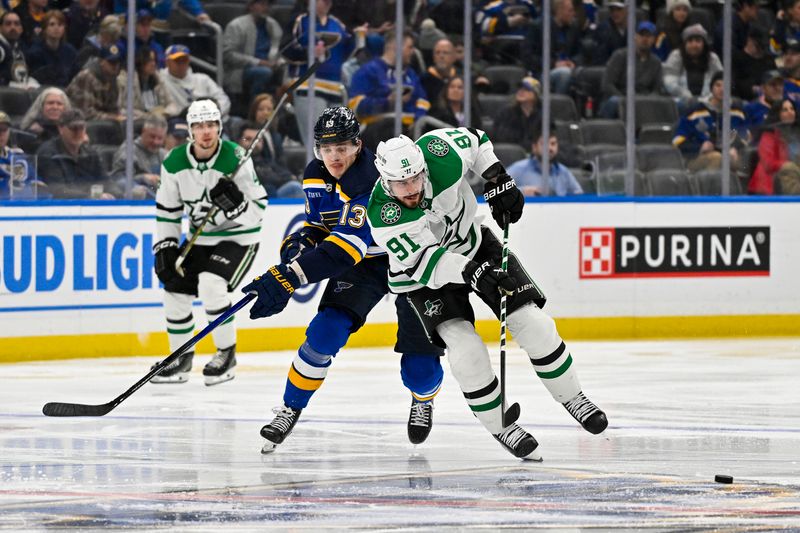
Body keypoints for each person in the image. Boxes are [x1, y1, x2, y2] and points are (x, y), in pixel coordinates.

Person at [361, 128, 608, 459]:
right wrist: (473, 273)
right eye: (401, 184)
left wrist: (497, 178)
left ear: (423, 168)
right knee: (466, 351)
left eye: (416, 178)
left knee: (535, 325)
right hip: (424, 277)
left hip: (474, 244)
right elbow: (427, 262)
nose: (412, 189)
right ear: (385, 180)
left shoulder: (439, 153)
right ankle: (502, 426)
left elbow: (477, 141)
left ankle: (573, 397)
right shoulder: (382, 214)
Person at [240, 106, 446, 453]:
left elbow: (344, 249)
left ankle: (422, 399)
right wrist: (300, 243)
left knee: (421, 369)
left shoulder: (371, 179)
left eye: (342, 148)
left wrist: (289, 276)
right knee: (324, 332)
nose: (334, 157)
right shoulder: (314, 174)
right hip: (363, 263)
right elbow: (321, 227)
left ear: (358, 146)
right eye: (326, 149)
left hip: (410, 260)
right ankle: (291, 406)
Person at [151, 99, 267, 385]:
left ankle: (226, 354)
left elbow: (259, 211)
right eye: (199, 126)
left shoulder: (236, 158)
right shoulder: (174, 162)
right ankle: (179, 358)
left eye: (212, 125)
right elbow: (168, 212)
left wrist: (236, 205)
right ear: (190, 130)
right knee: (174, 289)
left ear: (220, 127)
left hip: (239, 238)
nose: (206, 131)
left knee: (212, 284)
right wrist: (164, 248)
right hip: (199, 239)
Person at [348, 29, 430, 128]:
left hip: (410, 130)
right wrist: (388, 102)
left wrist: (418, 119)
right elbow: (355, 106)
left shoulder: (410, 74)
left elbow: (423, 101)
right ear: (396, 47)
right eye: (410, 47)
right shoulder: (368, 71)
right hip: (377, 129)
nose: (413, 52)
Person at [672, 71, 749, 172]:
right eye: (718, 85)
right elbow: (677, 140)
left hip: (729, 156)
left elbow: (745, 136)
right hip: (695, 158)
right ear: (711, 87)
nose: (722, 89)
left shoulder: (737, 112)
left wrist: (734, 147)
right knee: (717, 157)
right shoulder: (695, 111)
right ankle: (712, 188)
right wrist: (699, 147)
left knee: (746, 162)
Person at [36, 108, 116, 199]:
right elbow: (58, 190)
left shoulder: (91, 153)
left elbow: (107, 182)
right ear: (60, 128)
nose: (78, 132)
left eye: (81, 128)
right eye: (73, 128)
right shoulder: (48, 153)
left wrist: (115, 194)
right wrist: (93, 196)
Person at [599, 21, 664, 119]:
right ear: (635, 37)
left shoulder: (656, 62)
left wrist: (649, 100)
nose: (645, 39)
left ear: (653, 40)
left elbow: (657, 88)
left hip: (644, 101)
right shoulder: (620, 56)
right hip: (620, 97)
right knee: (614, 101)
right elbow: (607, 84)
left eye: (649, 36)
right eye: (642, 35)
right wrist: (625, 100)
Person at [222, 0, 283, 104]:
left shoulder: (273, 25)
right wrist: (258, 62)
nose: (266, 8)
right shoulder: (236, 25)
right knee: (264, 72)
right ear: (251, 6)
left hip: (270, 65)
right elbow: (228, 55)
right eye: (262, 4)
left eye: (267, 4)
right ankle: (254, 106)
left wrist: (278, 61)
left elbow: (278, 49)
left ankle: (280, 109)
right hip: (240, 69)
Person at [507, 124, 584, 196]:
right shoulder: (519, 169)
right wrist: (521, 192)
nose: (550, 148)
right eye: (544, 144)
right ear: (534, 147)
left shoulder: (563, 172)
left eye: (553, 144)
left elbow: (580, 197)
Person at [159, 44, 231, 120]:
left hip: (213, 120)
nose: (181, 64)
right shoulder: (160, 80)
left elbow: (223, 99)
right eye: (177, 61)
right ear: (167, 62)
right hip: (182, 121)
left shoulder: (203, 79)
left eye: (184, 60)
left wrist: (213, 114)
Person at [663, 24, 723, 108]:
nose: (694, 45)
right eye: (690, 41)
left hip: (708, 101)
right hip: (681, 101)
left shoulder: (713, 58)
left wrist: (706, 98)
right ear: (685, 44)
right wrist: (686, 95)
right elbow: (668, 82)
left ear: (704, 44)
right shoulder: (676, 55)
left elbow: (720, 81)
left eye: (698, 41)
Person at [748, 99, 800, 195]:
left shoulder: (797, 133)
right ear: (777, 114)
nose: (790, 112)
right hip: (770, 184)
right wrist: (789, 165)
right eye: (785, 110)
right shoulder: (769, 134)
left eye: (792, 109)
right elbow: (768, 163)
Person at [110, 113, 167, 198]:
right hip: (138, 202)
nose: (156, 142)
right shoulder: (128, 151)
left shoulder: (165, 155)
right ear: (143, 132)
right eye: (152, 136)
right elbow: (118, 180)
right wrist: (142, 178)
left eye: (160, 138)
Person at [116, 46, 180, 119]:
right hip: (138, 121)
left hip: (160, 119)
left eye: (154, 60)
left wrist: (166, 113)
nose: (153, 64)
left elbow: (171, 103)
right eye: (149, 60)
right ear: (140, 62)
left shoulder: (158, 79)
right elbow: (121, 109)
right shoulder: (126, 81)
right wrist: (144, 116)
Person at [66, 44, 124, 121]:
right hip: (76, 121)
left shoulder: (112, 78)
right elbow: (85, 113)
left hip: (101, 122)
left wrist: (119, 116)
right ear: (101, 62)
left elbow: (113, 108)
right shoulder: (86, 77)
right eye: (111, 62)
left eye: (117, 62)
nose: (115, 66)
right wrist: (113, 118)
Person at [26, 9, 78, 87]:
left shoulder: (70, 51)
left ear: (64, 28)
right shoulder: (35, 52)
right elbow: (35, 79)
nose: (56, 28)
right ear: (44, 29)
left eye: (60, 24)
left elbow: (74, 77)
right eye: (52, 24)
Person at [491, 76, 541, 146]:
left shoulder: (543, 116)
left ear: (535, 94)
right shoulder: (505, 113)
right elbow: (501, 136)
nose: (521, 91)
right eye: (520, 88)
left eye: (526, 89)